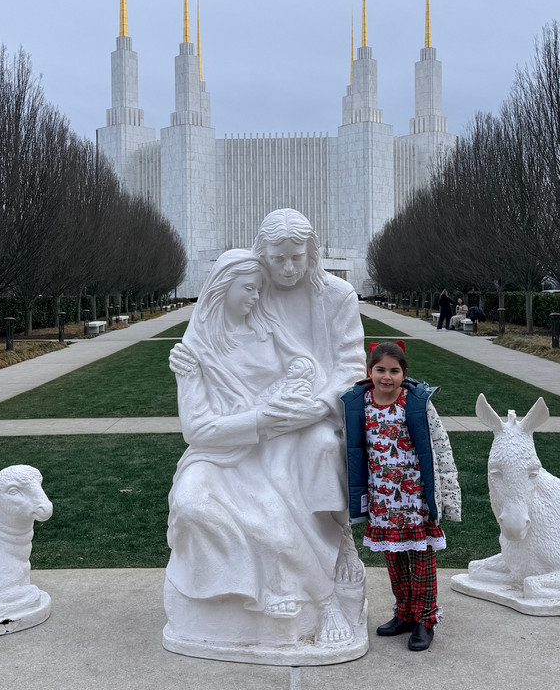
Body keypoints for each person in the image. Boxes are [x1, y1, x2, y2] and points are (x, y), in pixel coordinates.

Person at [165, 242, 365, 656]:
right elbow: (197, 429)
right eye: (250, 289)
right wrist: (260, 420)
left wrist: (293, 386)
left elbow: (307, 364)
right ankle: (241, 591)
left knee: (274, 519)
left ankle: (320, 599)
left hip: (274, 441)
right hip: (219, 452)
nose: (258, 296)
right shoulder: (193, 352)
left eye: (260, 288)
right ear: (222, 289)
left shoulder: (267, 326)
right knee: (189, 505)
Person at [340, 342, 462, 652]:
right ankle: (405, 612)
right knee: (394, 561)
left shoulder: (416, 403)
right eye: (380, 370)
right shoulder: (360, 403)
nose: (387, 377)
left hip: (415, 499)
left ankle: (425, 619)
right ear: (370, 372)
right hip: (382, 499)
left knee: (421, 562)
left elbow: (440, 444)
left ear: (404, 373)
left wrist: (447, 492)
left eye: (394, 371)